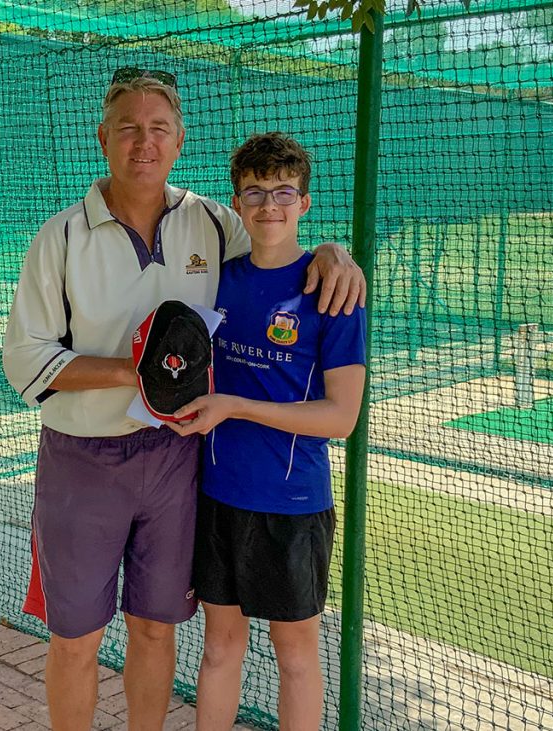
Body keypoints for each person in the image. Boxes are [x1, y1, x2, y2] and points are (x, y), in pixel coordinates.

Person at [2, 70, 365, 731]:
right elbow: (24, 361)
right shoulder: (59, 238)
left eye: (159, 128)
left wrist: (336, 255)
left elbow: (277, 240)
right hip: (83, 460)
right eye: (129, 128)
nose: (145, 142)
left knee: (153, 628)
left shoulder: (211, 223)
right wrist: (133, 371)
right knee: (76, 637)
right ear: (102, 137)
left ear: (180, 141)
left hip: (177, 462)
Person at [167, 132, 367, 730]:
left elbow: (341, 417)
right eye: (254, 192)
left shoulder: (332, 291)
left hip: (292, 504)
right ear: (237, 201)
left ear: (305, 203)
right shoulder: (216, 281)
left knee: (298, 658)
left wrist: (235, 405)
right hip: (217, 496)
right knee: (220, 649)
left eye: (284, 192)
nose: (269, 206)